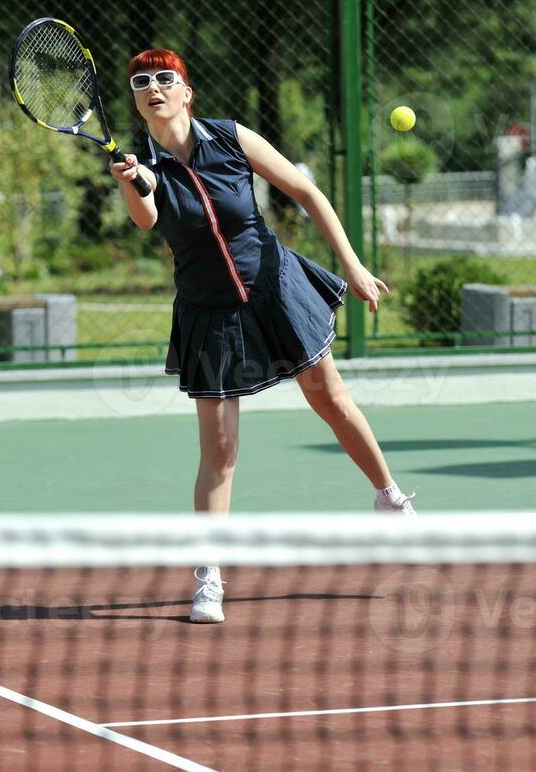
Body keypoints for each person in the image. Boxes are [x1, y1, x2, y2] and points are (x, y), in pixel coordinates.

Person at [109, 49, 417, 625]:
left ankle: (390, 499)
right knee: (220, 449)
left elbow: (308, 193)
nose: (153, 88)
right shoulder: (140, 161)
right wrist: (133, 182)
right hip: (209, 308)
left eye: (165, 79)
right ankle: (209, 577)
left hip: (274, 285)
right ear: (136, 98)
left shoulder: (229, 138)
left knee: (329, 397)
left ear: (186, 91)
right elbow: (147, 219)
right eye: (141, 82)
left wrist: (350, 265)